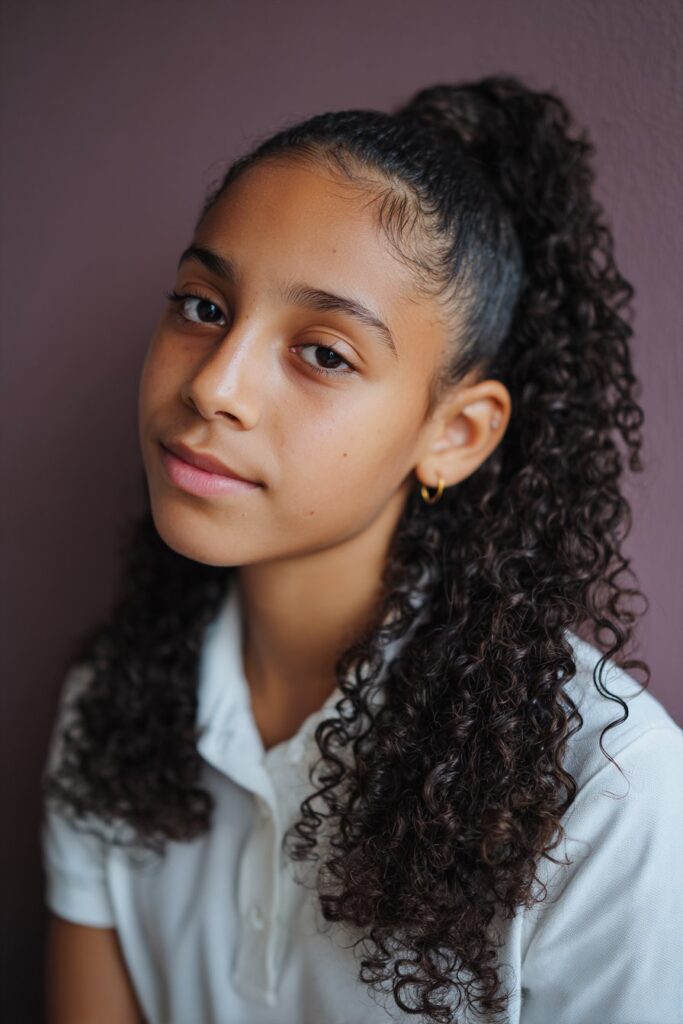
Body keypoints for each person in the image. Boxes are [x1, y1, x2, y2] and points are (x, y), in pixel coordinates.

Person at [40, 74, 683, 1024]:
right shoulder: (108, 706)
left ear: (454, 435)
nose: (215, 386)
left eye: (324, 352)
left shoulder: (605, 792)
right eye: (203, 307)